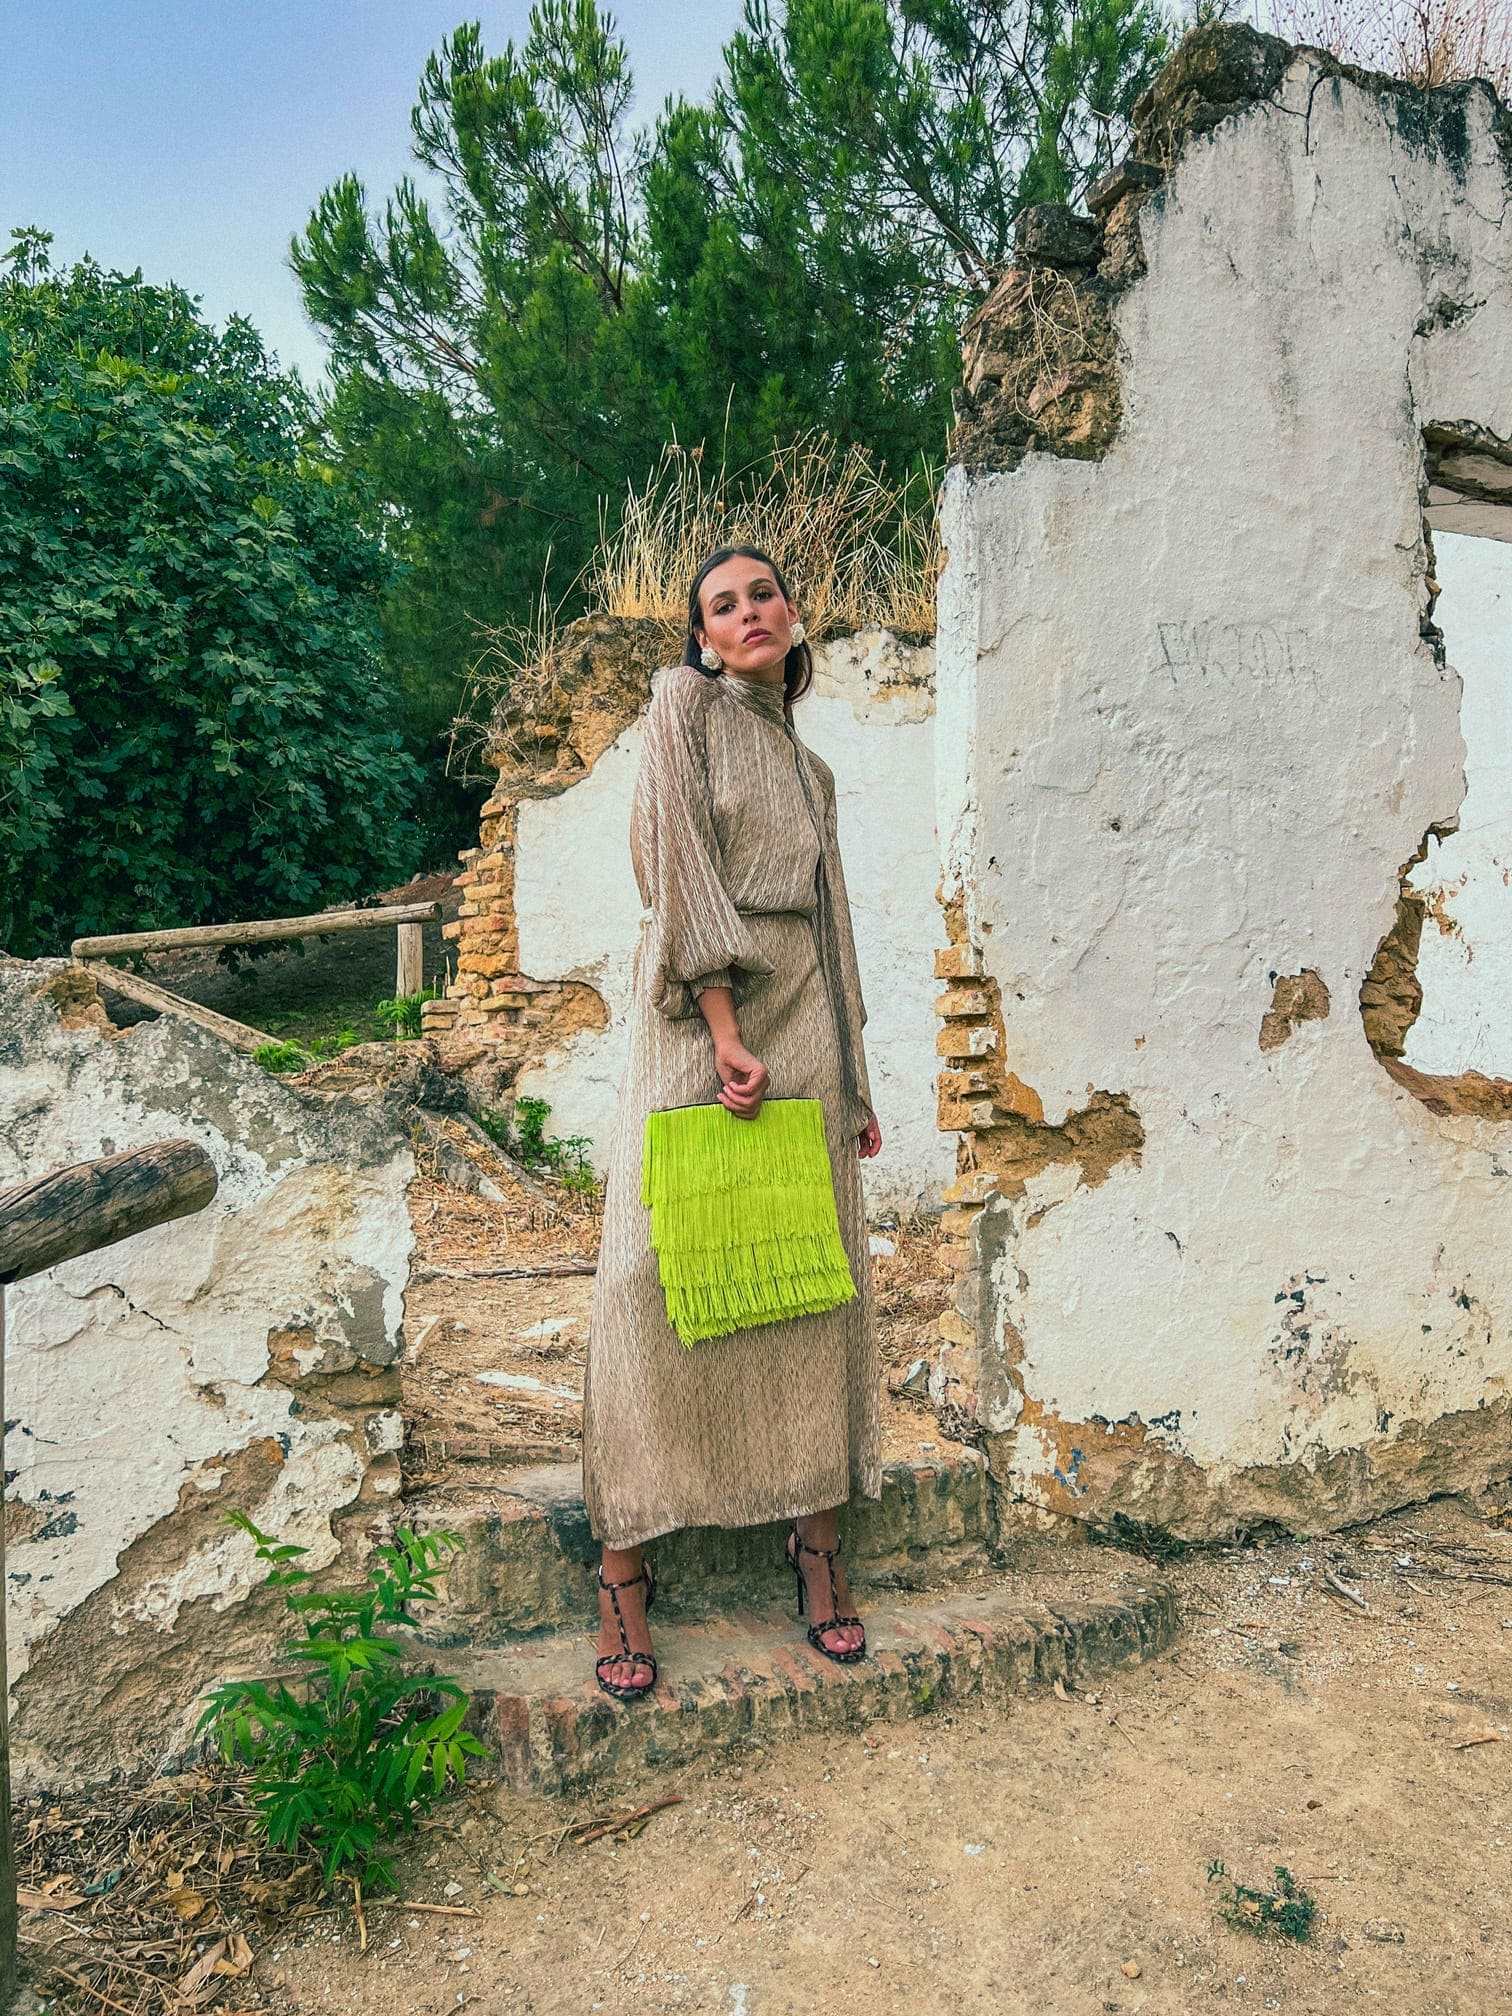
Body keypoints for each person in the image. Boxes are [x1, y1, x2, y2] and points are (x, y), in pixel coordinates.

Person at [580, 543, 884, 1699]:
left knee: (803, 1286)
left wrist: (852, 1083)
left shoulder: (814, 772)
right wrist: (719, 1024)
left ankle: (815, 1551)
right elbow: (677, 869)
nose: (749, 612)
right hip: (703, 1018)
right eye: (723, 604)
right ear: (700, 636)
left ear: (794, 617)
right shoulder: (682, 706)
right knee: (646, 1280)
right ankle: (623, 1573)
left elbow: (837, 923)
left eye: (765, 595)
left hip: (803, 1034)